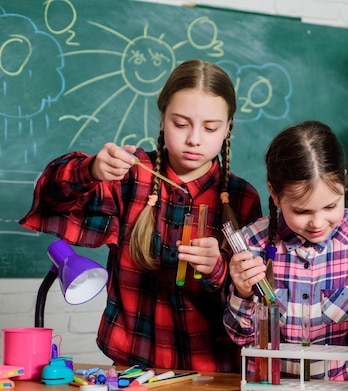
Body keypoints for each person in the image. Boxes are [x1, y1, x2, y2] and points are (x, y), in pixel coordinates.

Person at [19, 59, 262, 372]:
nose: (194, 139)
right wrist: (91, 169)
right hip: (131, 368)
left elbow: (251, 304)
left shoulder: (242, 199)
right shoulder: (131, 175)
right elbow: (53, 198)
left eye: (211, 128)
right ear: (162, 119)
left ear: (228, 127)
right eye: (181, 123)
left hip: (213, 373)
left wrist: (218, 271)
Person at [223, 120, 348, 380]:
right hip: (270, 390)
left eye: (330, 206)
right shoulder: (253, 243)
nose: (317, 223)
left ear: (343, 184)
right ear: (274, 194)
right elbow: (240, 337)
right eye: (302, 211)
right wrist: (242, 292)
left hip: (342, 389)